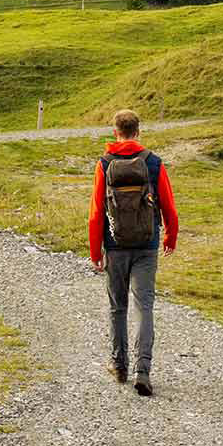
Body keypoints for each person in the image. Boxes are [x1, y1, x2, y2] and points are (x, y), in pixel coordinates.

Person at [89, 109, 178, 396]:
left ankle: (119, 366)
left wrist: (95, 250)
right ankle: (143, 370)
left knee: (117, 307)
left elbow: (96, 214)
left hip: (114, 246)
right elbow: (168, 204)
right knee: (145, 307)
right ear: (138, 131)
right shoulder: (153, 162)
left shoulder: (104, 163)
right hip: (146, 245)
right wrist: (170, 236)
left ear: (115, 132)